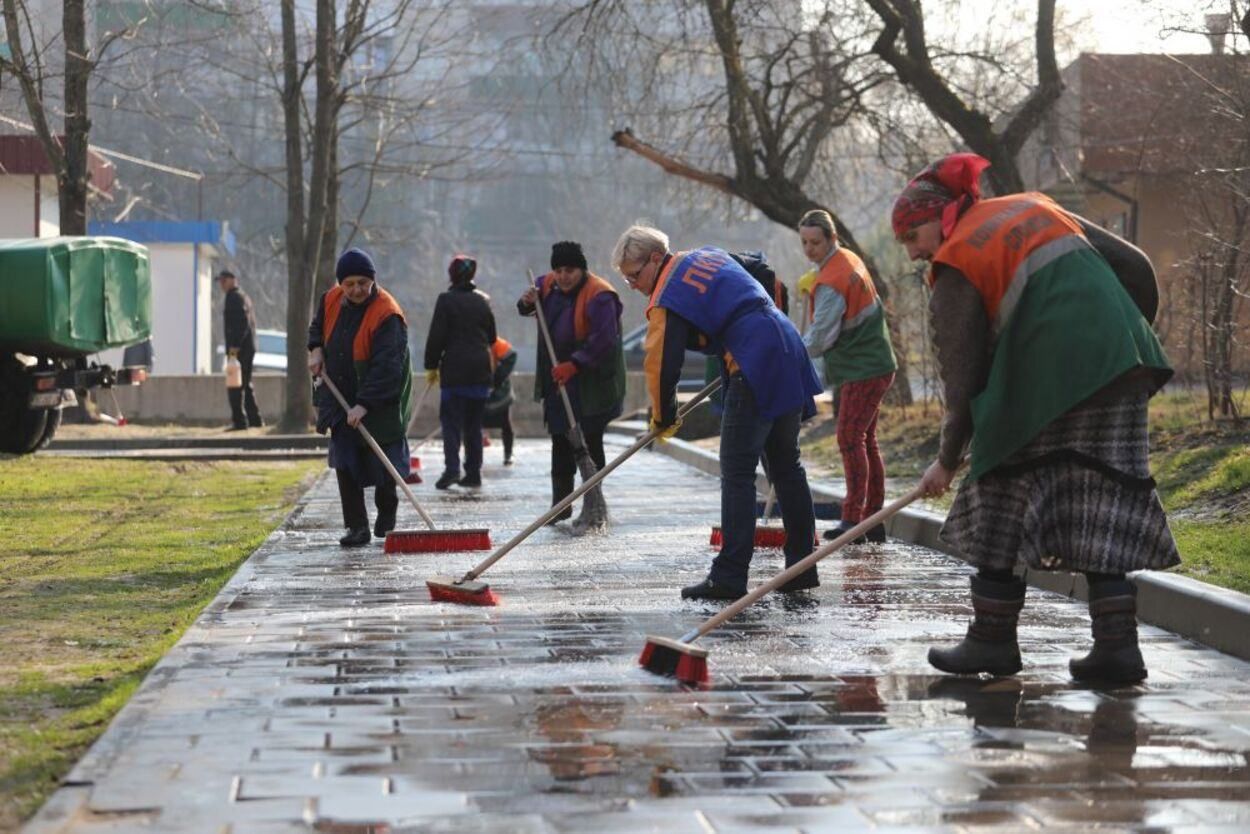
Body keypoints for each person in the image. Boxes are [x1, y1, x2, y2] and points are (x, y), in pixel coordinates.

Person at [893, 153, 1178, 683]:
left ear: (941, 216)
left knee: (995, 488)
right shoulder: (1033, 205)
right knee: (1104, 497)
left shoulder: (955, 263)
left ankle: (990, 641)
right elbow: (1134, 265)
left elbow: (964, 386)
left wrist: (947, 461)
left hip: (1057, 378)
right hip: (1123, 364)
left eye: (913, 236)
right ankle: (1117, 650)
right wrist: (1114, 341)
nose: (913, 252)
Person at [612, 224, 823, 600]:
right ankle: (802, 567)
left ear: (656, 258)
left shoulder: (667, 294)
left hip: (753, 361)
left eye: (634, 274)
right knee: (786, 466)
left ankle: (728, 577)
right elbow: (767, 277)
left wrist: (663, 417)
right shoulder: (708, 254)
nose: (633, 284)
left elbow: (661, 364)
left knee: (738, 473)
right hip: (785, 343)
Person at [798, 210, 898, 543]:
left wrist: (787, 352)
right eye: (804, 242)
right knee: (865, 441)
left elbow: (819, 339)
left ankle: (853, 520)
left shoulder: (833, 282)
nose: (809, 249)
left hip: (864, 368)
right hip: (875, 362)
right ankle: (874, 518)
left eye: (815, 242)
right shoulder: (845, 260)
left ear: (831, 239)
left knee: (849, 439)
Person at [308, 249, 413, 547]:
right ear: (341, 283)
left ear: (373, 281)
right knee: (345, 461)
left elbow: (387, 367)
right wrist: (315, 348)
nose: (356, 290)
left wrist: (364, 404)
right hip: (338, 390)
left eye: (363, 283)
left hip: (380, 396)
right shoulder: (329, 299)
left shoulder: (387, 314)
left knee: (382, 462)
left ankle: (387, 509)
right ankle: (356, 527)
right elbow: (317, 328)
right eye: (350, 283)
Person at [517, 241, 626, 521]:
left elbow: (604, 340)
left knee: (590, 440)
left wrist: (576, 364)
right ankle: (561, 505)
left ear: (582, 270)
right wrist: (526, 302)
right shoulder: (546, 285)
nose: (564, 276)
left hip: (591, 381)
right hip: (557, 378)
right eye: (559, 270)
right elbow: (527, 308)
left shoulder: (601, 296)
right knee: (560, 441)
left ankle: (593, 501)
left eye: (570, 270)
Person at [425, 255, 497, 489]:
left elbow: (437, 336)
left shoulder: (445, 300)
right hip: (480, 369)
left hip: (455, 370)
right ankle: (473, 472)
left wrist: (431, 364)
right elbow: (492, 336)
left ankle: (452, 469)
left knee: (451, 423)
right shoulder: (484, 300)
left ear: (452, 275)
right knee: (474, 425)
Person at [217, 269, 264, 430]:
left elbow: (240, 325)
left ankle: (239, 421)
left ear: (232, 280)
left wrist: (234, 349)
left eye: (224, 281)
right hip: (248, 347)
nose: (221, 285)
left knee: (235, 384)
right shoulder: (242, 296)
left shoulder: (234, 298)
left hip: (239, 349)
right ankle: (255, 419)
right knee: (245, 383)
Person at [483, 336, 518, 465]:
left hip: (499, 390)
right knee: (472, 425)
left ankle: (508, 454)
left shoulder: (495, 342)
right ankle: (472, 457)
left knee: (506, 423)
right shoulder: (464, 340)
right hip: (477, 388)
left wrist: (496, 379)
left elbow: (511, 356)